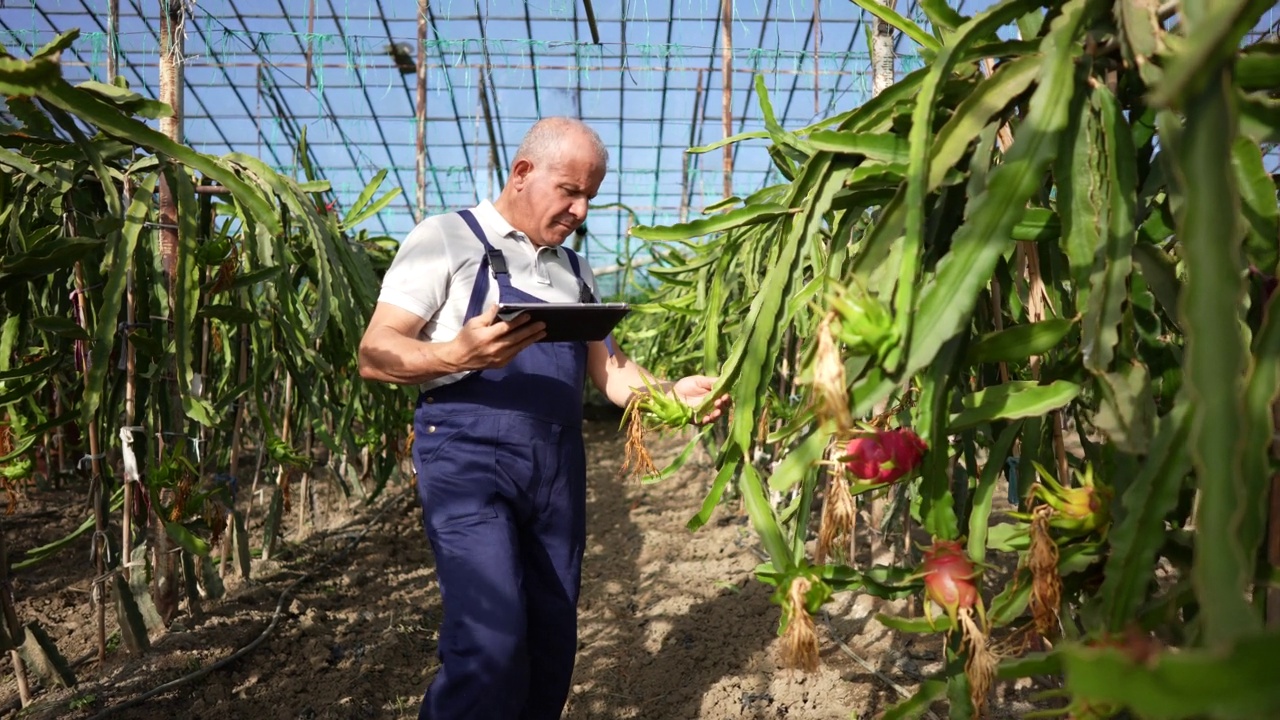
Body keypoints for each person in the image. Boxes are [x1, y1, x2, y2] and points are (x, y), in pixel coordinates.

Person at [357, 116, 727, 720]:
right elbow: (375, 352)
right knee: (492, 639)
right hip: (467, 455)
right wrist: (455, 353)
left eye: (591, 197)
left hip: (555, 466)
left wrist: (672, 394)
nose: (582, 210)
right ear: (523, 173)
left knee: (551, 640)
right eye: (571, 191)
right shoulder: (447, 239)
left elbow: (612, 373)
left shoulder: (576, 272)